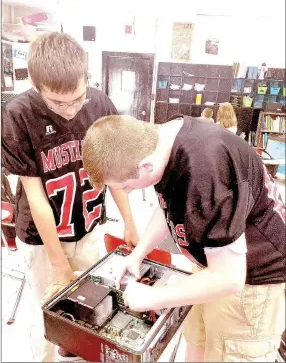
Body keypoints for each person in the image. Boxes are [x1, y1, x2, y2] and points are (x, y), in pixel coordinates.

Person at [82, 114, 285, 362]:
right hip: (210, 262)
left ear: (146, 165)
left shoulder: (206, 172)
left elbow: (230, 279)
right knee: (197, 342)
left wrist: (153, 297)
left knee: (228, 353)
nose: (126, 191)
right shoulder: (163, 140)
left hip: (251, 282)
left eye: (126, 185)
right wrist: (137, 254)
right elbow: (168, 205)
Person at [1, 33, 139, 362]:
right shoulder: (18, 114)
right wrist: (58, 264)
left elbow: (113, 172)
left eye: (77, 98)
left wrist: (131, 224)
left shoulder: (100, 105)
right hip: (42, 238)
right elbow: (36, 198)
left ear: (85, 79)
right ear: (36, 86)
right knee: (50, 317)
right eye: (57, 103)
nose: (70, 110)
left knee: (91, 311)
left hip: (88, 227)